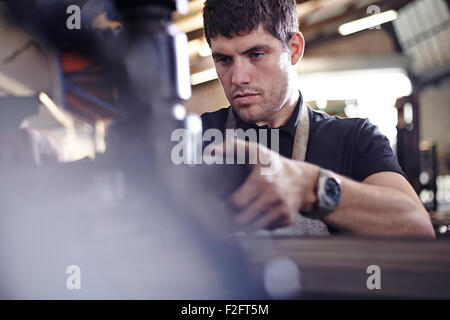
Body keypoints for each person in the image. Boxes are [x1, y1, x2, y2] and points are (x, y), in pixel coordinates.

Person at [200, 0, 434, 237]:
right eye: (224, 60)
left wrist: (311, 187)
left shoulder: (354, 139)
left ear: (294, 49)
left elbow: (419, 227)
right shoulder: (194, 138)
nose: (238, 78)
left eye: (256, 54)